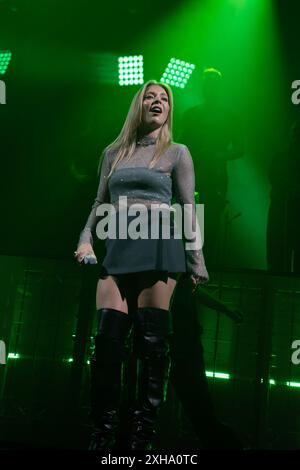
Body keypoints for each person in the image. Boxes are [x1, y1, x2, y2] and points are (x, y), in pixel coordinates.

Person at [74, 80, 209, 450]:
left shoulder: (178, 153)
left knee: (152, 347)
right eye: (150, 96)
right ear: (138, 104)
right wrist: (85, 238)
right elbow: (98, 202)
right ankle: (100, 435)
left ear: (169, 109)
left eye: (164, 98)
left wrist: (197, 261)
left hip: (158, 247)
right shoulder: (113, 152)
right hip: (118, 246)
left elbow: (187, 208)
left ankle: (141, 437)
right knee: (106, 344)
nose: (157, 101)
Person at [180, 67, 244, 269]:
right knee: (190, 222)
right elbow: (179, 144)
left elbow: (240, 149)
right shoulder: (191, 114)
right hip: (194, 175)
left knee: (210, 225)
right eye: (207, 84)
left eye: (213, 85)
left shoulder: (229, 116)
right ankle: (189, 269)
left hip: (214, 176)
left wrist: (217, 155)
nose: (209, 88)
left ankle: (205, 269)